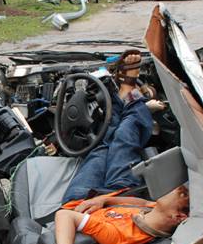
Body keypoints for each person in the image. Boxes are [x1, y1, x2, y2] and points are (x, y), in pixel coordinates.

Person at [61, 50, 155, 203]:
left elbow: (63, 217)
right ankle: (131, 97)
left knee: (103, 147)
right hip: (119, 197)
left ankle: (124, 96)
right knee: (125, 132)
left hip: (78, 203)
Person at [54, 185, 189, 244]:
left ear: (178, 217)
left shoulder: (119, 235)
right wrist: (103, 200)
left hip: (77, 200)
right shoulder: (152, 210)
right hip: (104, 195)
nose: (178, 188)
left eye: (183, 194)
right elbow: (143, 202)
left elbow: (64, 215)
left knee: (115, 144)